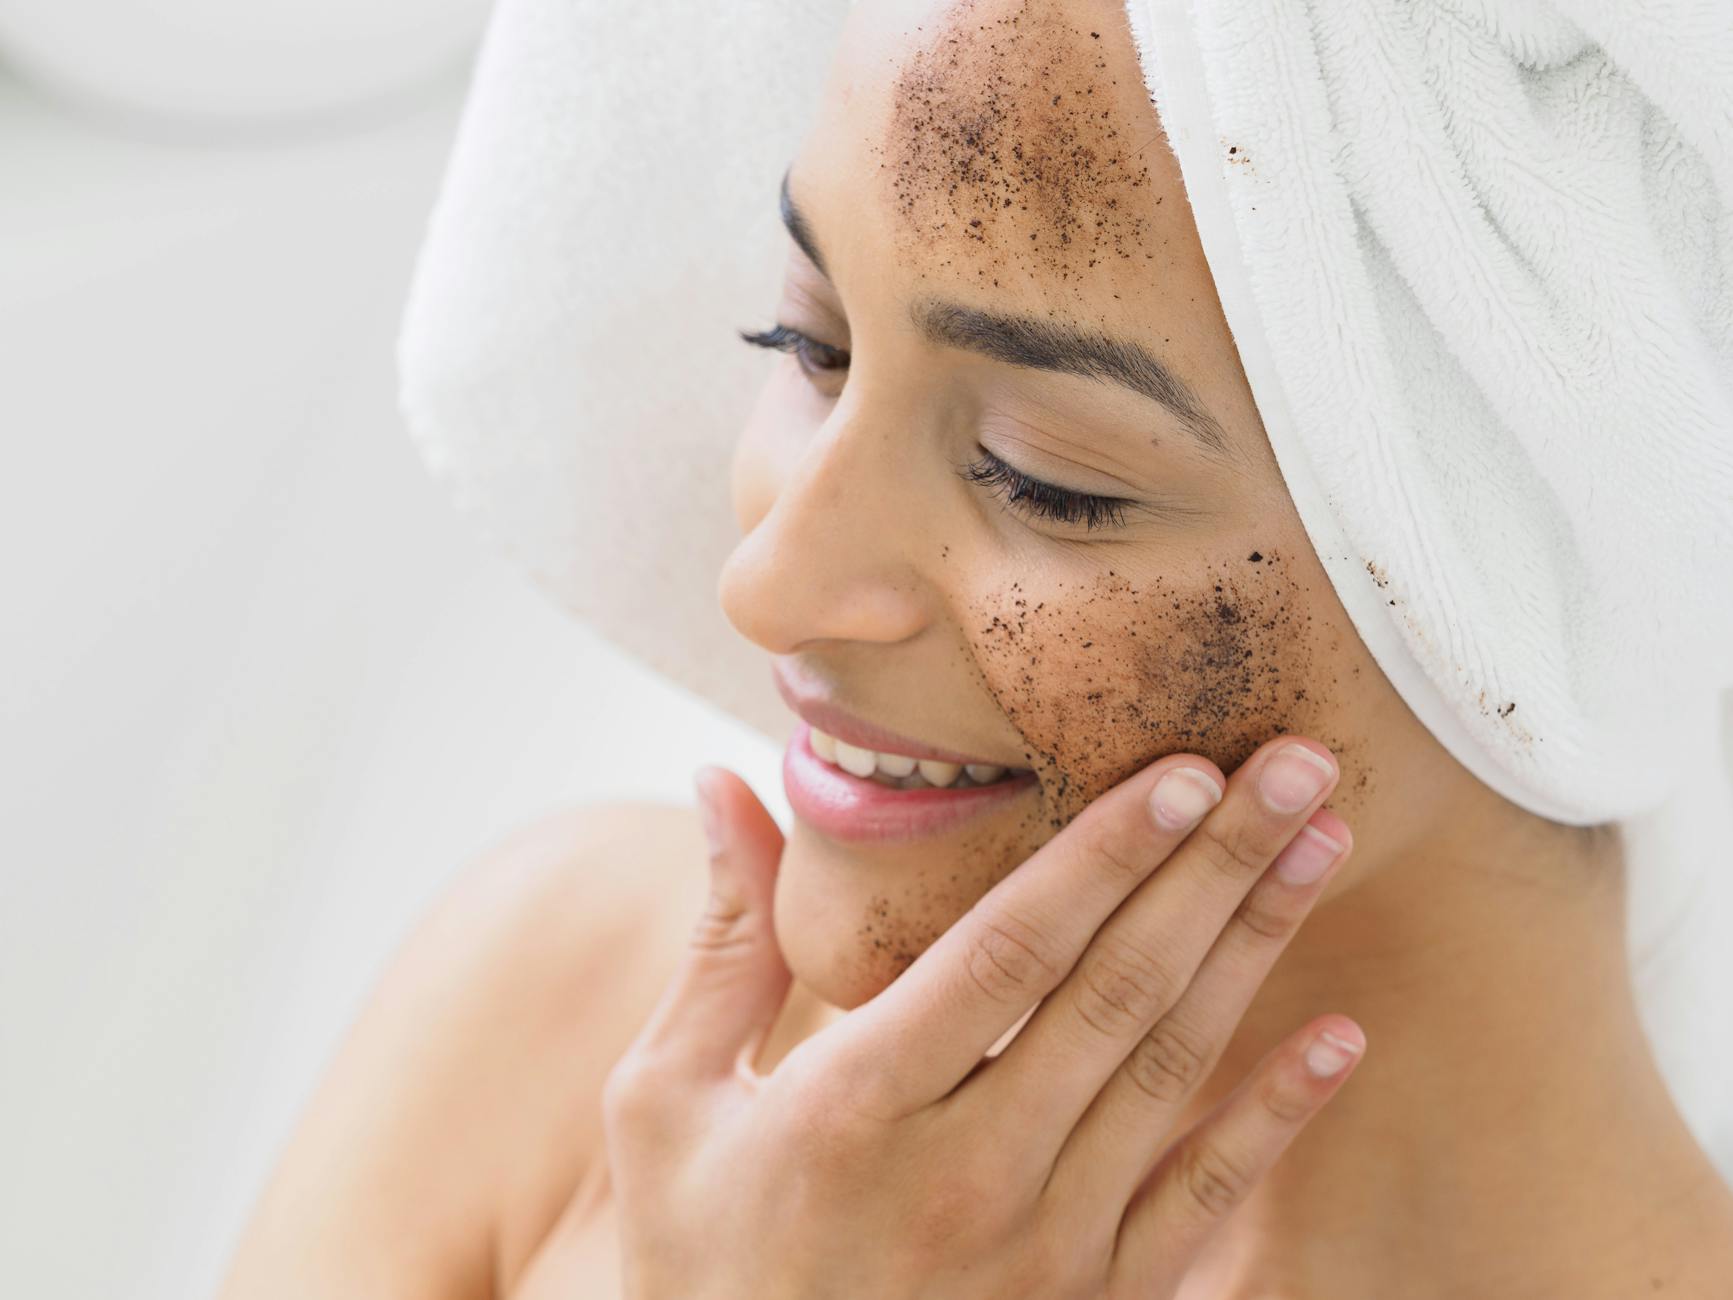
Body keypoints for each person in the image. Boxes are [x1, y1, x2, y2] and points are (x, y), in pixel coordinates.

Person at [217, 1, 1733, 1295]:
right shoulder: (563, 1018)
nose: (766, 582)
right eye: (811, 346)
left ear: (1530, 592)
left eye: (1042, 474)